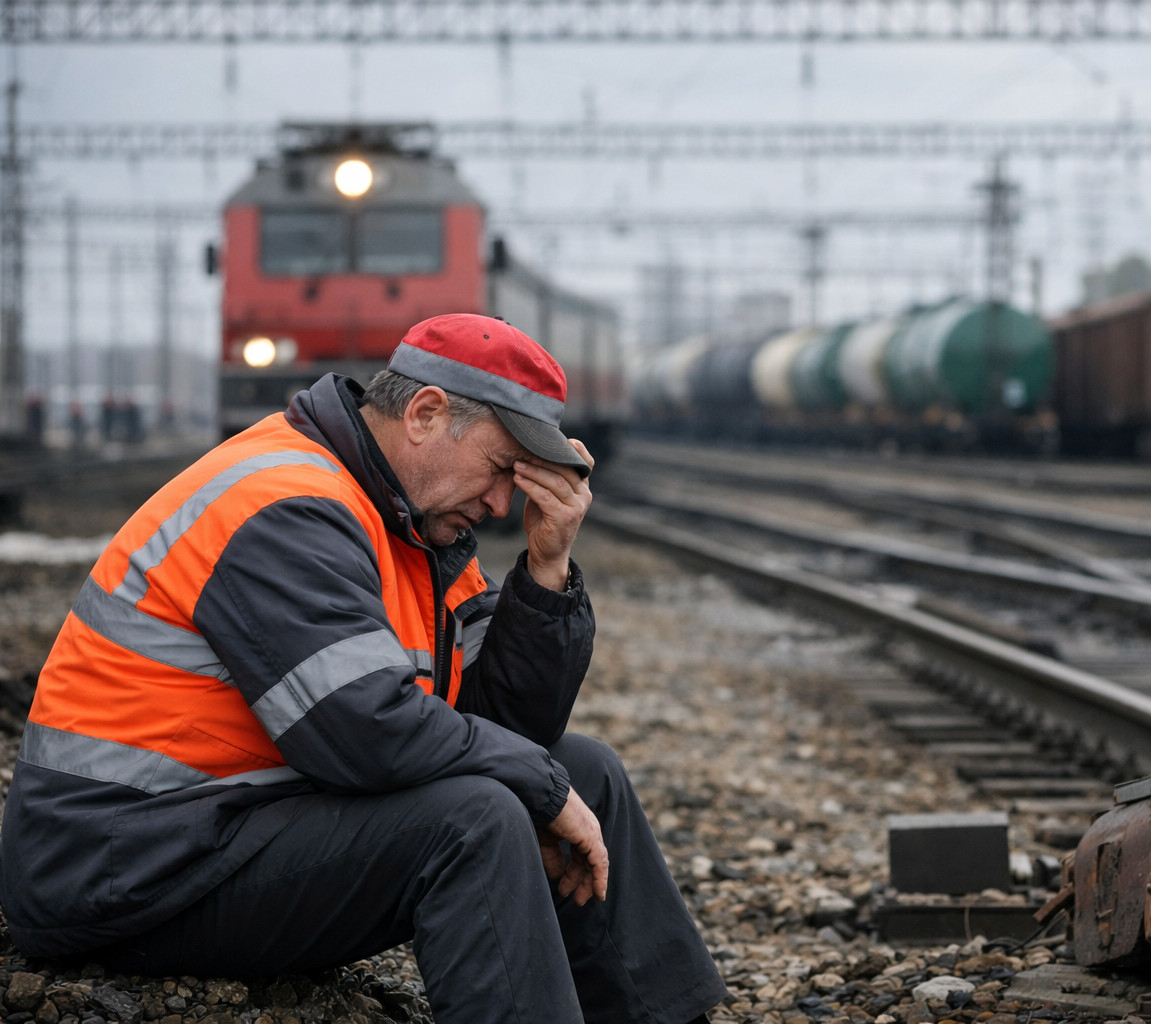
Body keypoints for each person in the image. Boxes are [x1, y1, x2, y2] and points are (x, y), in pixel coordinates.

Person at [0, 313, 728, 1024]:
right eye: (503, 468)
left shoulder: (410, 526)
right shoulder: (283, 503)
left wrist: (545, 568)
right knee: (475, 819)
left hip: (234, 822)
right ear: (425, 413)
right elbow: (360, 732)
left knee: (584, 772)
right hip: (124, 866)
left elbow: (508, 730)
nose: (505, 501)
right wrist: (539, 786)